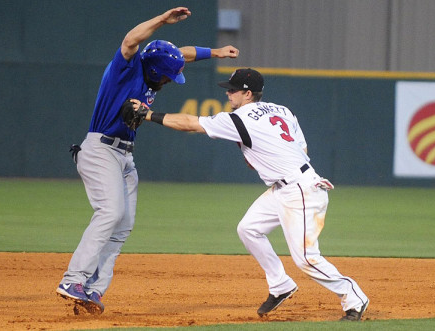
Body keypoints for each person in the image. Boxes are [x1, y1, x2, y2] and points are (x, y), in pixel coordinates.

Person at [134, 68, 370, 321]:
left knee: (306, 259)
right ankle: (281, 285)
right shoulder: (282, 110)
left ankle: (354, 298)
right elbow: (302, 147)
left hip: (299, 190)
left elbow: (190, 123)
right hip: (288, 185)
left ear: (247, 94)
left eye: (233, 89)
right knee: (248, 229)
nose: (228, 93)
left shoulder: (239, 118)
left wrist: (147, 114)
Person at [56, 7, 239, 314]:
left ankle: (91, 291)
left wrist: (216, 52)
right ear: (154, 71)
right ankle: (72, 280)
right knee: (110, 212)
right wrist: (160, 21)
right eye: (168, 77)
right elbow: (130, 41)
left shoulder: (154, 69)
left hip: (125, 154)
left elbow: (182, 54)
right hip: (101, 149)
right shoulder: (125, 70)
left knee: (123, 225)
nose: (170, 81)